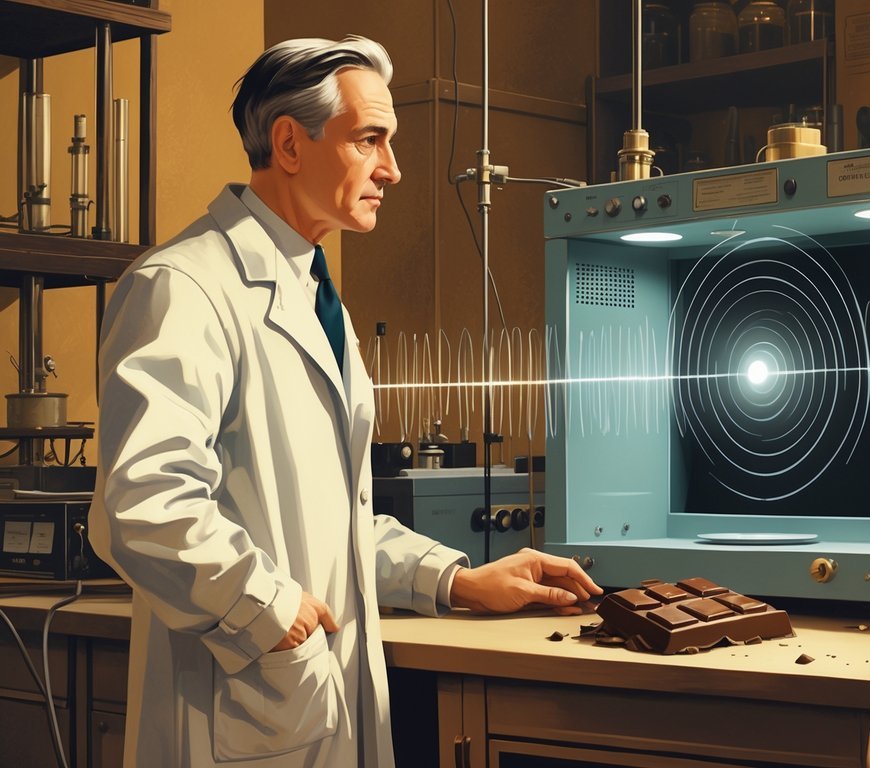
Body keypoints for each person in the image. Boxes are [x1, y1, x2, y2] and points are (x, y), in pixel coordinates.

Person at [89, 36, 600, 767]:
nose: (392, 168)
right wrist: (265, 606)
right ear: (291, 144)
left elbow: (332, 521)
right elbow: (141, 504)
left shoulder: (313, 293)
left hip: (307, 695)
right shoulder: (183, 287)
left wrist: (454, 579)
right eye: (370, 140)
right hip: (241, 705)